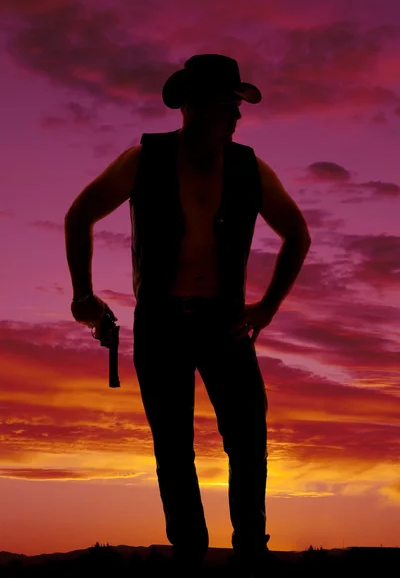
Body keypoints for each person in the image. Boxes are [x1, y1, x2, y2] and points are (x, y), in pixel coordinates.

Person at [64, 54, 311, 577]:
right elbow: (79, 213)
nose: (238, 117)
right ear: (195, 106)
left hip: (225, 324)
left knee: (248, 438)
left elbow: (298, 235)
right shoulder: (143, 159)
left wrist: (266, 307)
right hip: (161, 323)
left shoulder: (250, 167)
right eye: (229, 105)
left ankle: (250, 552)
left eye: (239, 107)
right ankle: (190, 556)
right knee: (172, 446)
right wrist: (83, 296)